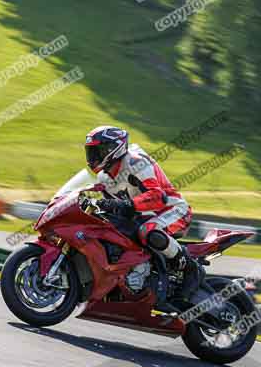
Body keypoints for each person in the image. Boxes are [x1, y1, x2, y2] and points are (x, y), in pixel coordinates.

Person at [84, 125, 202, 298]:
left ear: (113, 149)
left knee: (148, 231)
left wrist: (127, 205)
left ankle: (191, 268)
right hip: (146, 215)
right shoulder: (104, 177)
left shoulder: (136, 162)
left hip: (174, 210)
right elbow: (113, 208)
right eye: (90, 152)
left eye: (97, 151)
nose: (93, 157)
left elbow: (157, 197)